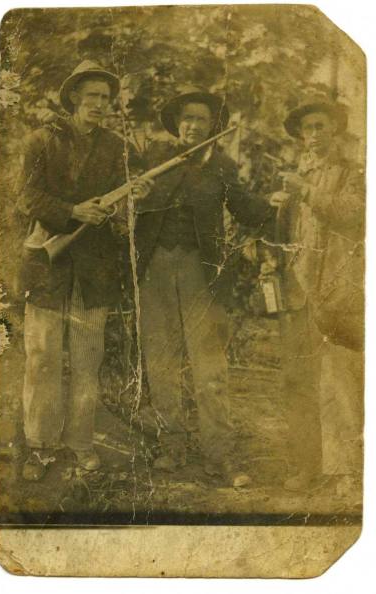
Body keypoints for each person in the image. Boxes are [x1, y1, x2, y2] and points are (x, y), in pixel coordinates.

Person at [17, 60, 149, 480]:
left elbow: (119, 212)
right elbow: (26, 197)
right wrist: (73, 210)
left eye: (105, 98)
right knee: (42, 359)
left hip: (94, 270)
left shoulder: (116, 147)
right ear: (73, 97)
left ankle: (80, 443)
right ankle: (39, 448)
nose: (99, 104)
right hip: (47, 264)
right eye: (91, 95)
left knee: (88, 360)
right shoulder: (40, 140)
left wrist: (130, 199)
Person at [132, 87, 271, 482]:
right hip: (155, 270)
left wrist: (275, 208)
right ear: (178, 123)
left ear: (213, 126)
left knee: (209, 364)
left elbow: (247, 209)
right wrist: (136, 199)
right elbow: (130, 207)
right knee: (161, 362)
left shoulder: (222, 166)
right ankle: (171, 446)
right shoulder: (154, 158)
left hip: (199, 271)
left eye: (202, 120)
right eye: (187, 118)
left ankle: (220, 453)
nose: (193, 126)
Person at [268, 98, 364, 492]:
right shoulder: (298, 174)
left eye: (321, 126)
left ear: (335, 131)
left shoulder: (352, 172)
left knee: (337, 379)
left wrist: (305, 191)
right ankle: (307, 465)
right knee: (298, 378)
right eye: (307, 128)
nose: (314, 135)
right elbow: (288, 235)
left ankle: (345, 472)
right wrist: (278, 207)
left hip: (335, 291)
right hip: (297, 290)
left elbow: (356, 213)